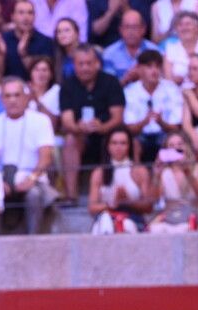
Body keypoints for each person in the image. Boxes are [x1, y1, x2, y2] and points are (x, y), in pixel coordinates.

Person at [0, 76, 57, 233]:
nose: (12, 100)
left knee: (34, 195)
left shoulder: (41, 120)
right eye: (8, 96)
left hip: (33, 178)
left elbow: (45, 158)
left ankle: (33, 239)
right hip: (3, 179)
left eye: (17, 95)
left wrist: (31, 178)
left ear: (26, 97)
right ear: (1, 99)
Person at [60, 44, 125, 204]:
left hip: (107, 133)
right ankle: (71, 196)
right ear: (74, 65)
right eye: (80, 64)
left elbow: (117, 118)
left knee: (122, 139)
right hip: (81, 136)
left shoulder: (111, 82)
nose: (85, 68)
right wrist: (78, 127)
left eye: (89, 63)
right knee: (69, 140)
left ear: (97, 63)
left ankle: (123, 195)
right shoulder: (68, 85)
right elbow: (67, 120)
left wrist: (102, 127)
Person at [87, 127, 153, 233]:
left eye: (123, 143)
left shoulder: (140, 171)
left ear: (129, 146)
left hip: (132, 218)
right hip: (106, 217)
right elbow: (92, 207)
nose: (118, 147)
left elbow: (149, 207)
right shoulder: (99, 173)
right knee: (105, 223)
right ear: (108, 146)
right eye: (114, 143)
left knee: (125, 225)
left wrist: (128, 202)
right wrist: (111, 204)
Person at [124, 50, 185, 164]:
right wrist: (145, 121)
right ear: (139, 69)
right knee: (134, 143)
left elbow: (176, 127)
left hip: (165, 133)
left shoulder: (172, 89)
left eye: (157, 67)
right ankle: (138, 175)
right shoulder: (129, 92)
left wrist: (161, 122)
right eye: (149, 67)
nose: (154, 71)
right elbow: (130, 128)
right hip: (140, 135)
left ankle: (167, 176)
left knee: (173, 141)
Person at [147, 130, 198, 231]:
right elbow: (153, 201)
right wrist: (157, 176)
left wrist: (188, 173)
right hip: (170, 218)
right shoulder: (164, 172)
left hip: (194, 217)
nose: (176, 148)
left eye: (180, 144)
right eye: (171, 145)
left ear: (188, 147)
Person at [0, 0, 54, 81]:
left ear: (35, 16)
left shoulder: (46, 42)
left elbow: (43, 77)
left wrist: (23, 54)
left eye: (30, 13)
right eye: (21, 13)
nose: (26, 17)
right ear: (12, 17)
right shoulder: (2, 40)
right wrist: (1, 54)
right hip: (9, 90)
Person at [102, 10, 161, 85]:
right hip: (120, 95)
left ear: (143, 29)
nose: (131, 32)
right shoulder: (109, 54)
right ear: (120, 30)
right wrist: (126, 79)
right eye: (127, 27)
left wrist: (143, 76)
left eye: (135, 27)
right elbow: (108, 87)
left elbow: (162, 82)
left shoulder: (155, 51)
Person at [164, 11, 198, 89]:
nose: (184, 28)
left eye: (188, 24)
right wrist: (174, 80)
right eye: (180, 25)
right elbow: (167, 80)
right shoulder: (171, 48)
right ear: (176, 30)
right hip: (177, 92)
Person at [51, 17, 82, 82]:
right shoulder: (56, 57)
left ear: (77, 33)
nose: (62, 34)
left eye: (67, 30)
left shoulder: (89, 53)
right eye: (59, 31)